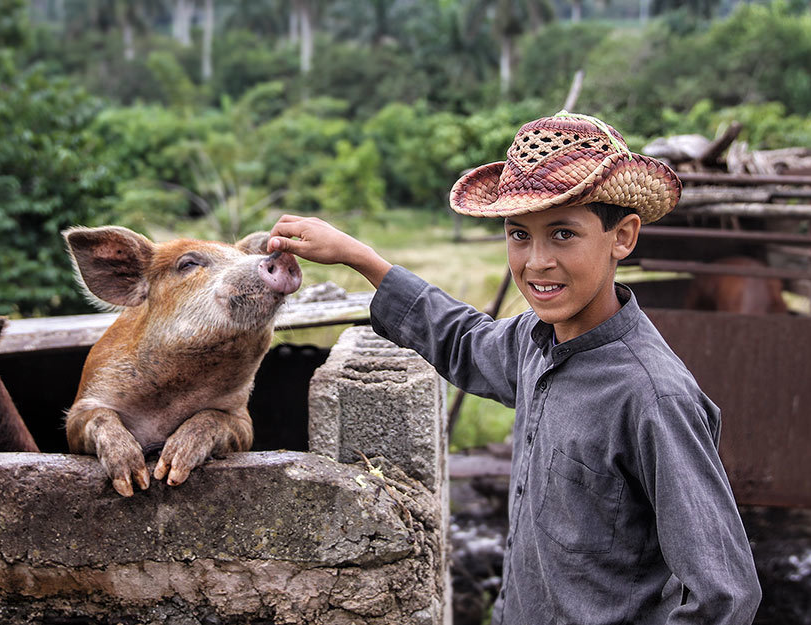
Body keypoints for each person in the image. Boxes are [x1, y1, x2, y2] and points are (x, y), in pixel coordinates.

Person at [268, 112, 762, 624]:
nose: (536, 262)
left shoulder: (652, 397)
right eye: (519, 235)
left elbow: (724, 595)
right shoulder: (536, 340)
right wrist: (361, 258)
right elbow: (465, 340)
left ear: (624, 236)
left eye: (563, 233)